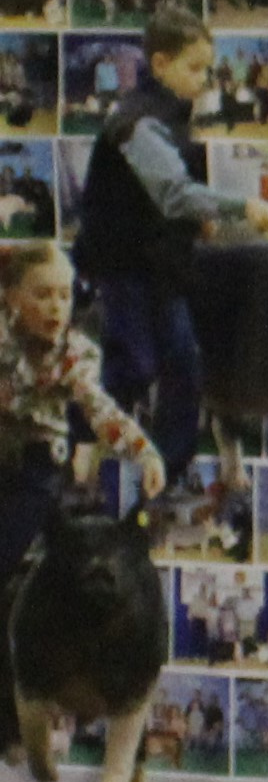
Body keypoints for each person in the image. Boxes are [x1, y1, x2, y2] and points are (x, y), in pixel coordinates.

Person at [70, 7, 268, 482]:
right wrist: (240, 207)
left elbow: (169, 190)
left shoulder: (168, 116)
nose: (204, 79)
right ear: (160, 64)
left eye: (207, 68)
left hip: (161, 265)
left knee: (184, 362)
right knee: (137, 362)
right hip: (122, 265)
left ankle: (168, 467)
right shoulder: (138, 123)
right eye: (195, 68)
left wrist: (196, 225)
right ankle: (81, 438)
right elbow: (173, 193)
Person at [0, 242, 164, 579]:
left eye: (64, 295)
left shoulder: (75, 353)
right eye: (43, 295)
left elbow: (100, 410)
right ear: (13, 297)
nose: (55, 308)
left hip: (35, 468)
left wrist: (144, 453)